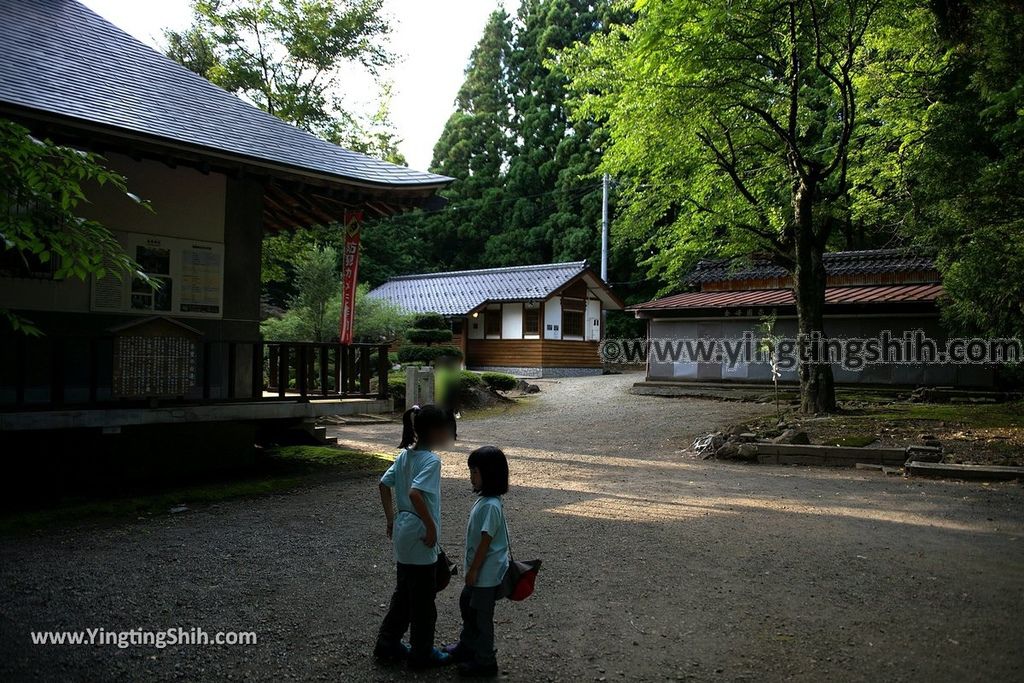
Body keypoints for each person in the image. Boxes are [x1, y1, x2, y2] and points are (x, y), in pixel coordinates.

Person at [374, 404, 454, 669]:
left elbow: (384, 484)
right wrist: (431, 527)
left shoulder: (404, 457)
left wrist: (390, 519)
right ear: (434, 431)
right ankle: (422, 654)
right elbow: (415, 493)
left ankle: (387, 643)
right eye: (447, 431)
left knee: (405, 592)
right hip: (420, 535)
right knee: (423, 601)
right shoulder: (431, 461)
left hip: (403, 531)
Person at [446, 446, 510, 678]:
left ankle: (485, 660)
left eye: (475, 472)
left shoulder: (492, 506)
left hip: (486, 574)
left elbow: (486, 542)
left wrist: (473, 570)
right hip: (479, 574)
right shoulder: (485, 501)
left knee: (482, 617)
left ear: (489, 475)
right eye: (471, 472)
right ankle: (467, 645)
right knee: (467, 605)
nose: (470, 477)